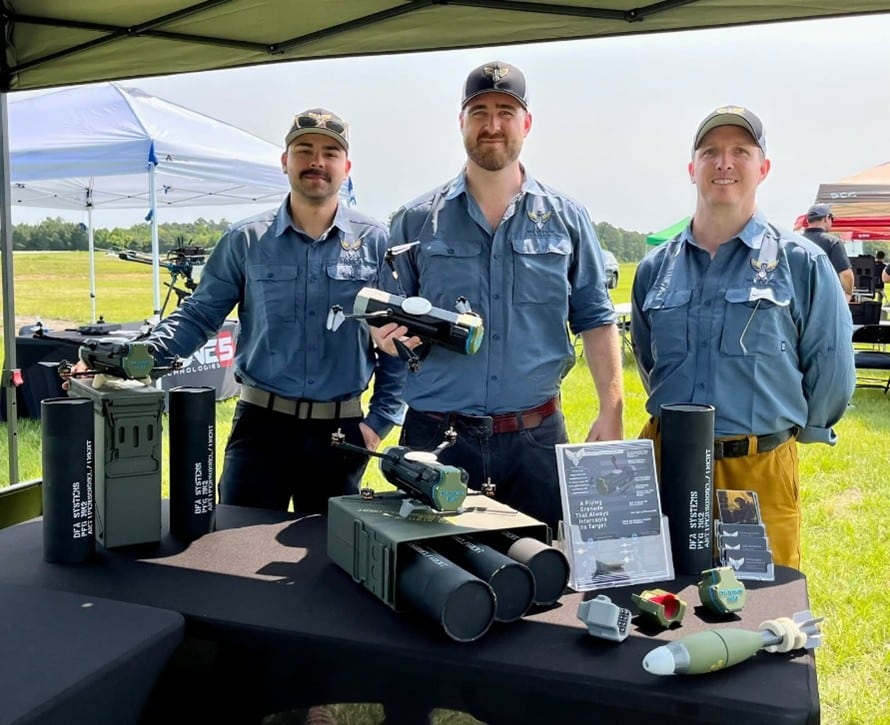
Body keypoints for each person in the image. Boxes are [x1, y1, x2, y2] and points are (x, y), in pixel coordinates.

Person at [378, 61, 624, 535]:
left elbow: (595, 319)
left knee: (546, 576)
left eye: (506, 112)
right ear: (461, 123)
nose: (492, 125)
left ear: (526, 124)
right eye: (480, 112)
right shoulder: (413, 221)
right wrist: (385, 336)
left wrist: (611, 408)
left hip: (536, 440)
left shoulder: (567, 219)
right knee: (433, 585)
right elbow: (388, 320)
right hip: (437, 438)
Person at [146, 107, 405, 513]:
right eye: (304, 150)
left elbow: (399, 341)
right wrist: (139, 356)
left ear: (346, 166)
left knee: (326, 559)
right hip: (261, 426)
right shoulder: (246, 240)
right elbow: (199, 315)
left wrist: (378, 424)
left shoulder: (376, 243)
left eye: (330, 153)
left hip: (341, 431)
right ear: (285, 161)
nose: (316, 162)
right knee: (236, 546)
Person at [631, 105, 856, 570]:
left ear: (763, 168)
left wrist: (782, 432)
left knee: (762, 615)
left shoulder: (802, 263)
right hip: (666, 463)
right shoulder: (657, 268)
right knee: (658, 605)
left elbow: (831, 369)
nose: (724, 163)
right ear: (692, 168)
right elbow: (649, 361)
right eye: (710, 152)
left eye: (740, 151)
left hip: (758, 470)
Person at [801, 203, 855, 300]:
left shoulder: (794, 242)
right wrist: (848, 293)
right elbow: (846, 274)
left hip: (798, 301)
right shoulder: (833, 242)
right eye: (832, 219)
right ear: (826, 218)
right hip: (824, 301)